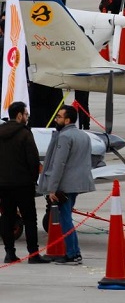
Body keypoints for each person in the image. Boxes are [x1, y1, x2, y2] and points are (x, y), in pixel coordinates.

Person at [37, 106, 95, 265]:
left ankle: (72, 254)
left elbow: (59, 164)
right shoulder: (84, 135)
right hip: (77, 184)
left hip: (65, 185)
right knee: (66, 217)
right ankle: (74, 253)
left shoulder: (64, 137)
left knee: (65, 220)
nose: (56, 119)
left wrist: (52, 188)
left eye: (59, 117)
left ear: (67, 120)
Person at [0, 102, 47, 264]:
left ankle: (9, 253)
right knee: (29, 219)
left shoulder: (1, 131)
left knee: (7, 217)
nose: (27, 117)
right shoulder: (25, 134)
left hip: (3, 184)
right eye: (26, 114)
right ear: (19, 115)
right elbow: (33, 160)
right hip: (23, 184)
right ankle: (33, 253)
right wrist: (33, 179)